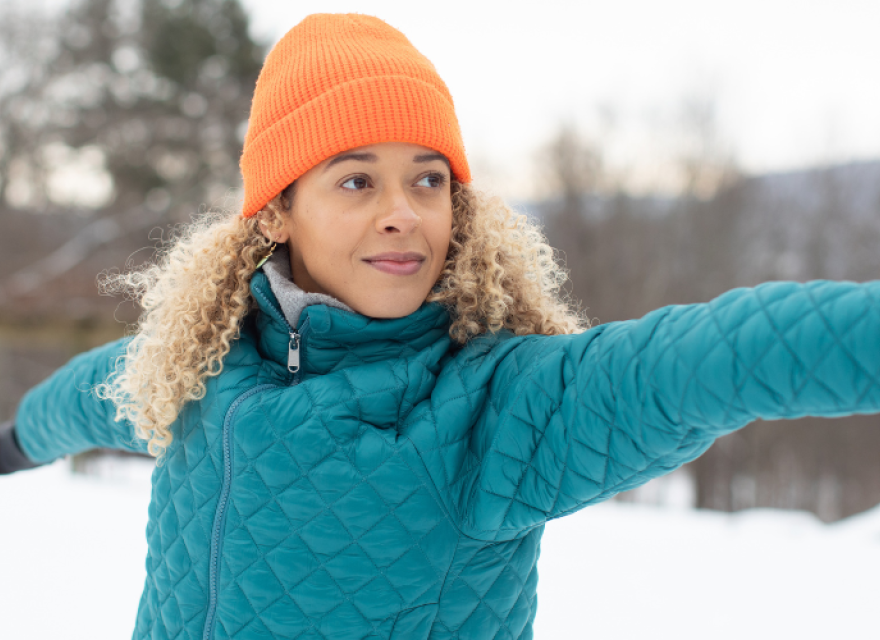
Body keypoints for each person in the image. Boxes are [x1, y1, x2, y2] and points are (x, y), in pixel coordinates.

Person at [1, 12, 878, 640]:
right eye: (356, 181)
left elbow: (724, 357)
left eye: (428, 180)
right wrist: (12, 447)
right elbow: (82, 399)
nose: (404, 214)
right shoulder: (195, 368)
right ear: (275, 212)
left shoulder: (499, 408)